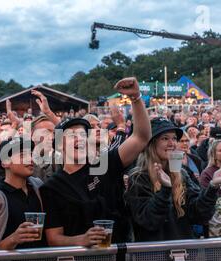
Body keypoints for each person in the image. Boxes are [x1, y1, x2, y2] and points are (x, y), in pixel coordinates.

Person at [40, 77, 152, 246]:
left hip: (118, 258)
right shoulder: (52, 187)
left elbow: (141, 138)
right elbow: (54, 238)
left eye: (83, 135)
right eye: (71, 136)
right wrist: (81, 240)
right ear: (59, 146)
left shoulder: (104, 164)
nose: (80, 138)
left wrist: (136, 98)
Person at [125, 118, 221, 241]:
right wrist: (165, 190)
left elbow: (199, 215)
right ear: (151, 143)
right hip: (153, 254)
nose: (172, 143)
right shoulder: (139, 177)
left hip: (183, 251)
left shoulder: (182, 172)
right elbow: (149, 221)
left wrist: (212, 186)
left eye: (174, 138)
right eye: (165, 138)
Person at [0, 138, 45, 249]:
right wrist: (13, 239)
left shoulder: (38, 187)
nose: (30, 159)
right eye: (22, 155)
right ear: (5, 163)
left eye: (31, 155)